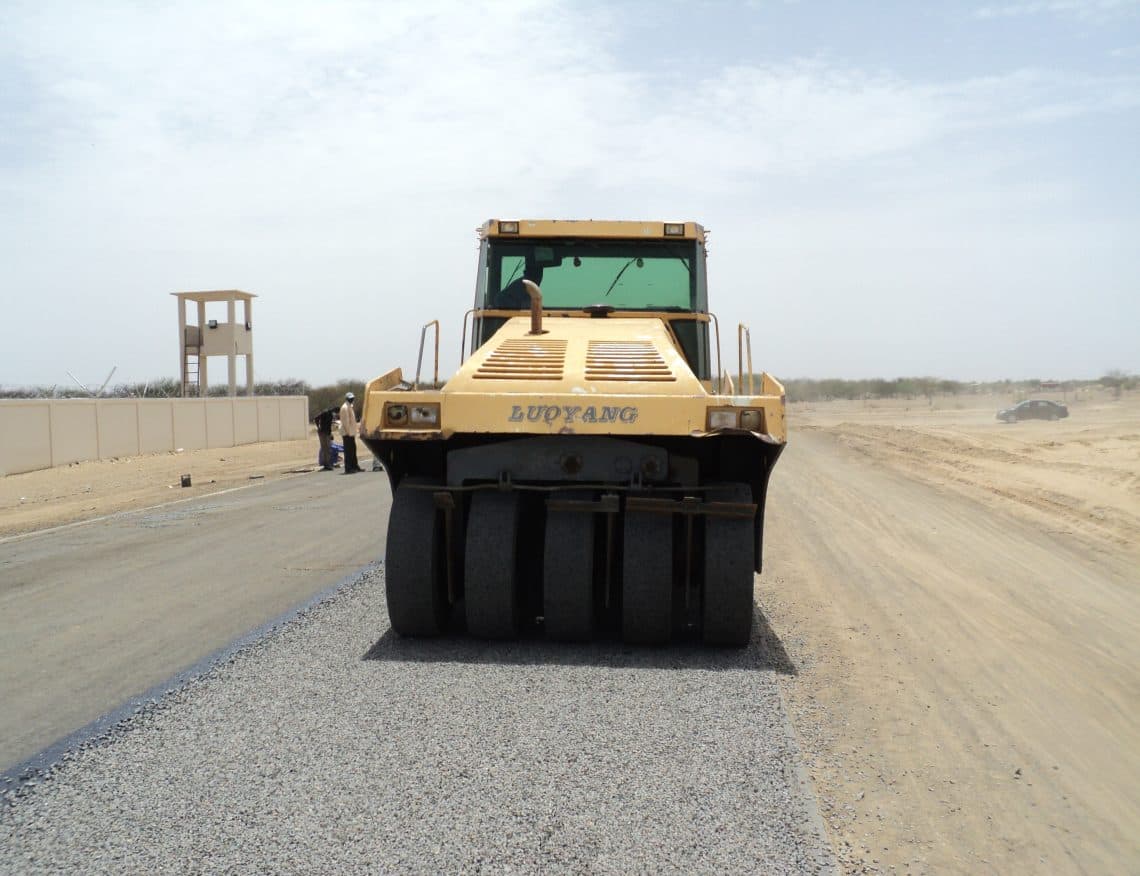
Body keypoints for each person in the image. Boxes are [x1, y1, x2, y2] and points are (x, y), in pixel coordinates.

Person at [340, 391, 363, 474]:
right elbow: (345, 422)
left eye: (352, 398)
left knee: (353, 450)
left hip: (351, 433)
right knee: (348, 451)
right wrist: (349, 432)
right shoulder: (345, 408)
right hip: (347, 433)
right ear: (347, 399)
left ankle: (355, 466)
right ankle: (348, 468)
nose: (352, 399)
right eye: (350, 398)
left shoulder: (350, 406)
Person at [313, 406, 336, 470]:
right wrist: (318, 427)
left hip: (327, 433)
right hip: (323, 433)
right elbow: (316, 418)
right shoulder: (325, 413)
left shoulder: (330, 414)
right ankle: (326, 464)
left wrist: (330, 434)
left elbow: (328, 425)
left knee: (327, 448)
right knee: (325, 448)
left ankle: (327, 463)